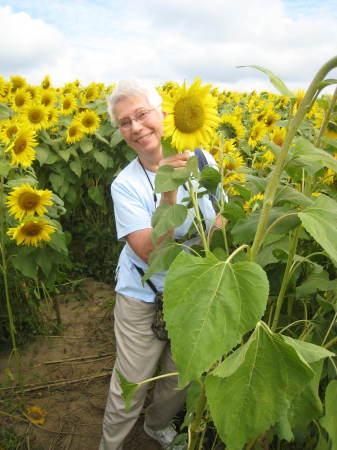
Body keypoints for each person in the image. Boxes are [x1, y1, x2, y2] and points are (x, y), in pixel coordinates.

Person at [99, 80, 220, 450]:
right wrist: (168, 190)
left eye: (141, 115)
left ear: (163, 114)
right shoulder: (126, 185)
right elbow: (150, 254)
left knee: (179, 374)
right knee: (132, 382)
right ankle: (111, 444)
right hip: (144, 296)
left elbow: (220, 215)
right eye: (124, 123)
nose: (135, 128)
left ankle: (157, 425)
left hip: (194, 291)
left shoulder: (202, 159)